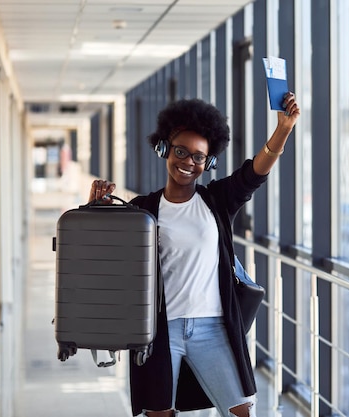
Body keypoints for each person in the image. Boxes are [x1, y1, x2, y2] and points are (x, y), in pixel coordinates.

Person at [88, 93, 300, 417]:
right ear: (164, 149)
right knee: (159, 412)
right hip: (160, 330)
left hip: (213, 327)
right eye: (181, 151)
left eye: (199, 157)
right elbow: (107, 252)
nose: (188, 162)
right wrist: (94, 206)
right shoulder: (142, 210)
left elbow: (255, 172)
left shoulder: (217, 201)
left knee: (242, 410)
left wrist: (283, 129)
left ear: (208, 163)